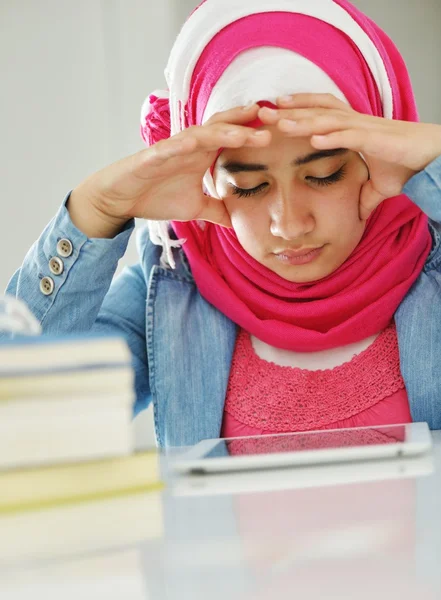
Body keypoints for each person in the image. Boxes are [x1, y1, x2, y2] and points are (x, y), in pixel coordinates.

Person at [5, 0, 441, 448]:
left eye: (323, 175)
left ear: (375, 154)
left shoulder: (433, 261)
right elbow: (22, 407)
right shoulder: (171, 290)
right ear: (211, 181)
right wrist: (96, 210)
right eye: (250, 186)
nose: (289, 225)